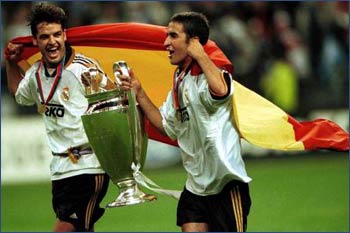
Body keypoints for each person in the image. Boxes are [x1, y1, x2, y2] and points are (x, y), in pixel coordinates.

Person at [119, 12, 252, 232]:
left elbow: (220, 92)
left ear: (194, 42)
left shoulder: (211, 76)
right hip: (195, 189)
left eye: (173, 36)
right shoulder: (180, 81)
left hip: (226, 187)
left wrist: (201, 56)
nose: (166, 43)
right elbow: (165, 125)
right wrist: (139, 92)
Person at [5, 2, 116, 232]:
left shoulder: (84, 69)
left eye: (57, 34)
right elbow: (19, 94)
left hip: (89, 166)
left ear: (65, 35)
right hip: (60, 167)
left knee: (64, 228)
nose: (52, 41)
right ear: (35, 40)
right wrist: (11, 62)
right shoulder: (36, 74)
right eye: (45, 36)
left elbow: (115, 103)